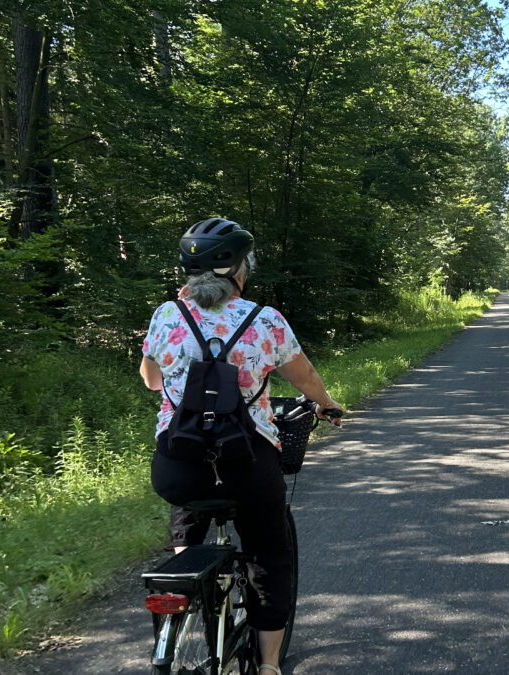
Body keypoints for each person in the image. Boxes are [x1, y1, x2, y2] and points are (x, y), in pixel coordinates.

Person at [139, 218, 343, 675]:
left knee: (187, 502)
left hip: (179, 464)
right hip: (248, 463)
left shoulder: (167, 315)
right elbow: (305, 378)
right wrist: (327, 405)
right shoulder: (264, 319)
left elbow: (153, 381)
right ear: (236, 268)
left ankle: (186, 581)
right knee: (269, 555)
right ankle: (268, 665)